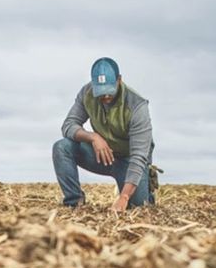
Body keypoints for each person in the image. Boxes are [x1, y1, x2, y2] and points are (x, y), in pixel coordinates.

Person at [52, 57, 155, 212]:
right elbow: (68, 125)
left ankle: (146, 190)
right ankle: (74, 203)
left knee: (138, 207)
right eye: (101, 92)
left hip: (129, 160)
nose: (106, 97)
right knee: (62, 147)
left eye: (109, 91)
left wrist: (124, 197)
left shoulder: (137, 106)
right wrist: (93, 137)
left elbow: (139, 156)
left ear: (119, 80)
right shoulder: (86, 94)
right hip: (104, 155)